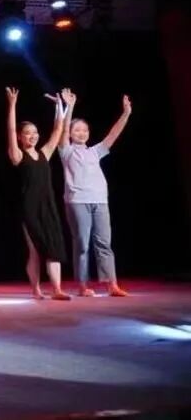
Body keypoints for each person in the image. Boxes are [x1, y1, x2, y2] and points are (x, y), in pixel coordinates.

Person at [59, 93, 132, 297]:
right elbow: (62, 131)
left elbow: (113, 135)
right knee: (82, 243)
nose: (81, 133)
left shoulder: (95, 151)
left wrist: (126, 114)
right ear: (70, 133)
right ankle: (82, 285)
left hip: (100, 201)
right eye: (77, 130)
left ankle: (112, 284)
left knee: (104, 243)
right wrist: (69, 107)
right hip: (77, 201)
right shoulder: (66, 151)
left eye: (84, 130)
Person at [6, 87, 70, 301]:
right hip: (29, 208)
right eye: (27, 133)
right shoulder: (17, 155)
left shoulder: (45, 153)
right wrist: (12, 105)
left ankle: (57, 289)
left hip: (48, 206)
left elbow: (58, 130)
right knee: (34, 250)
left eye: (34, 133)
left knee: (53, 246)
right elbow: (10, 130)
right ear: (20, 137)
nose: (32, 136)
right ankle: (36, 289)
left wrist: (60, 106)